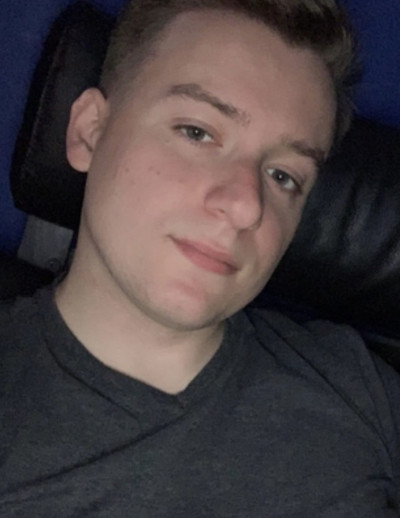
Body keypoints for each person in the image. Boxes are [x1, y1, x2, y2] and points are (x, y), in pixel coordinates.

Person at [1, 0, 399, 515]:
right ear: (89, 131)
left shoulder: (355, 386)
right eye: (197, 132)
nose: (247, 205)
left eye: (284, 176)